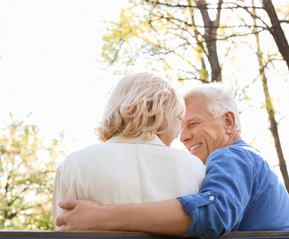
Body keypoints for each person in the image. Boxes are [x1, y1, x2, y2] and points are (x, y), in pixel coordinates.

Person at [55, 85, 289, 238]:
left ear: (228, 121)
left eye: (193, 124)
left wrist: (102, 217)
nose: (183, 137)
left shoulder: (232, 156)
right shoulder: (247, 159)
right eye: (181, 126)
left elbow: (214, 213)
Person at [52, 72, 205, 229]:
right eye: (179, 119)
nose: (180, 131)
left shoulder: (75, 165)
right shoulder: (196, 168)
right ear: (162, 114)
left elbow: (64, 229)